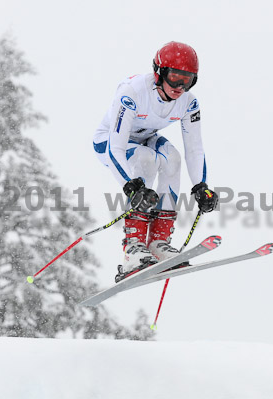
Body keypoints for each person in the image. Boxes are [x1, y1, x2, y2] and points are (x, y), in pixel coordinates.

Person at [93, 41, 218, 282]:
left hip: (145, 138)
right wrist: (131, 187)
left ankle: (158, 242)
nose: (180, 87)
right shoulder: (132, 92)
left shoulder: (188, 103)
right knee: (146, 158)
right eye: (174, 78)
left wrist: (201, 185)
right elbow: (116, 147)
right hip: (108, 143)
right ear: (159, 73)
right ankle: (134, 248)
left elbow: (194, 148)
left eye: (188, 80)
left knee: (172, 158)